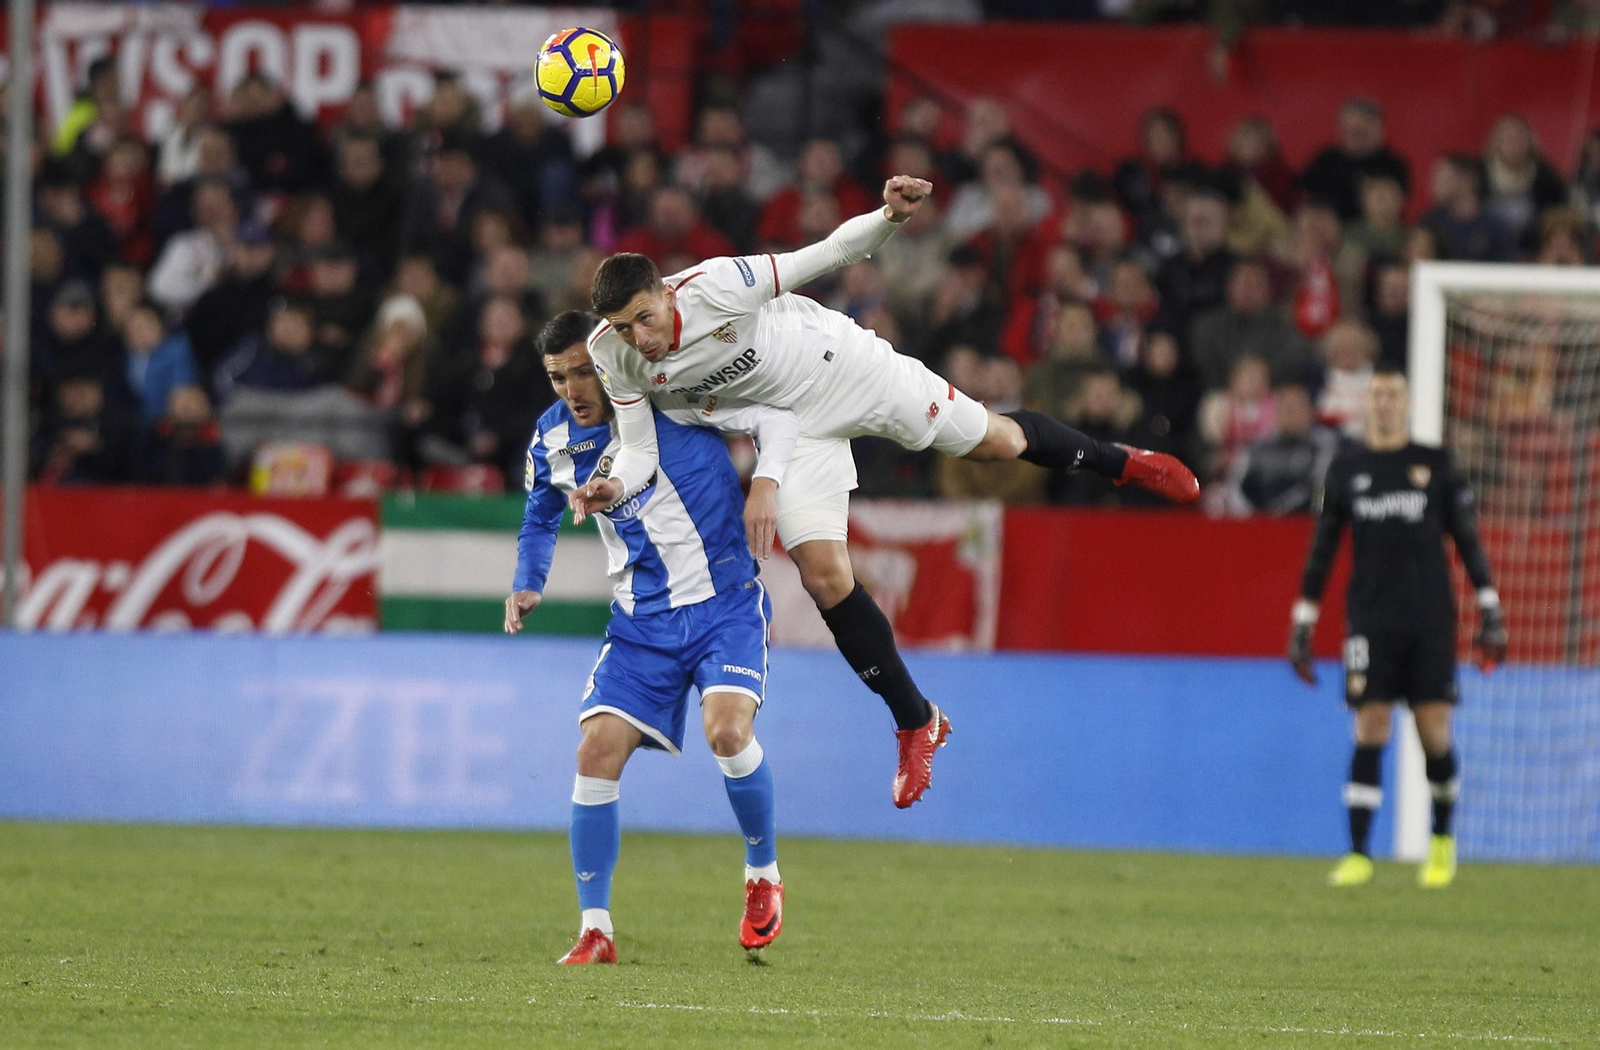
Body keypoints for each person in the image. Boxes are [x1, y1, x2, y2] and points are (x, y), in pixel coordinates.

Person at [576, 176, 1200, 807]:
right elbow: (638, 447)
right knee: (823, 577)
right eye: (624, 328)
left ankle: (1122, 461)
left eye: (644, 319)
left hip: (847, 367)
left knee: (997, 442)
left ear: (664, 291)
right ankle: (916, 719)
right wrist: (614, 483)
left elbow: (825, 254)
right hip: (793, 428)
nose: (640, 338)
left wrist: (888, 217)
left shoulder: (718, 285)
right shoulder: (613, 353)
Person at [506, 312, 799, 965]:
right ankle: (596, 929)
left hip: (723, 604)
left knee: (727, 732)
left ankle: (762, 874)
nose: (574, 388)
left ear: (609, 357)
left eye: (584, 369)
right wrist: (528, 581)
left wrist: (766, 485)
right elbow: (539, 516)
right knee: (594, 752)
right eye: (558, 377)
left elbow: (774, 415)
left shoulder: (675, 392)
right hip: (643, 623)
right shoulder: (553, 438)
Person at [1290, 366, 1507, 889]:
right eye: (1377, 395)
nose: (1385, 403)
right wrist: (1303, 622)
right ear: (1368, 403)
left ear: (1407, 402)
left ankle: (1441, 841)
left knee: (1433, 731)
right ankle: (1359, 853)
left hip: (1430, 618)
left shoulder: (1435, 464)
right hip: (1369, 618)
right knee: (1371, 726)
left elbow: (1468, 541)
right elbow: (1323, 550)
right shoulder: (1346, 470)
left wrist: (1491, 610)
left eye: (1393, 394)